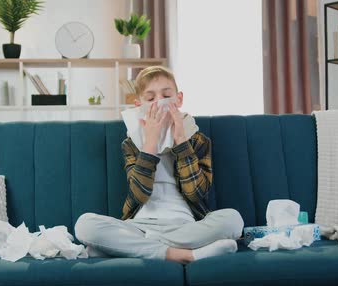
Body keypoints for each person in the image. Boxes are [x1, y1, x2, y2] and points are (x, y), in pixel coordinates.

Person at [75, 66, 243, 264]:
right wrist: (150, 143)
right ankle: (184, 255)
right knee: (85, 225)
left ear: (178, 99)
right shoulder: (131, 144)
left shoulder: (198, 140)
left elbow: (195, 193)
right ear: (139, 105)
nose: (159, 102)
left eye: (166, 95)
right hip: (140, 225)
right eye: (151, 98)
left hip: (185, 226)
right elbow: (139, 194)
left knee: (233, 220)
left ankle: (130, 247)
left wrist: (181, 141)